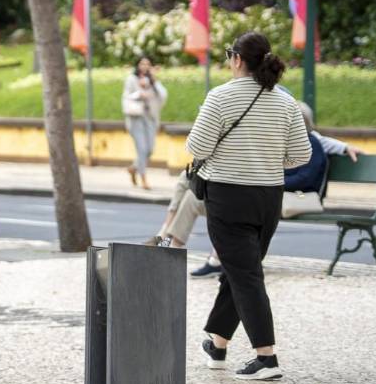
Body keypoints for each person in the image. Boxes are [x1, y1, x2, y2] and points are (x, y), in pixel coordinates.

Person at [187, 32, 310, 381]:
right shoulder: (285, 101)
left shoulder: (220, 97)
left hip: (228, 196)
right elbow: (302, 154)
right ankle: (218, 343)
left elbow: (197, 145)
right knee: (241, 269)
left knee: (246, 275)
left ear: (238, 59)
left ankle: (266, 357)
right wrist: (266, 161)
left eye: (229, 54)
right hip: (269, 197)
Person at [152, 102, 361, 277]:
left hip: (286, 198)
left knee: (231, 206)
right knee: (193, 198)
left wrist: (270, 179)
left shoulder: (311, 143)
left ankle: (218, 260)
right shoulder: (279, 141)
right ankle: (172, 250)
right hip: (262, 194)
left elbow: (306, 178)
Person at [122, 56, 167, 190]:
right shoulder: (131, 79)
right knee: (141, 149)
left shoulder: (153, 81)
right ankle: (144, 179)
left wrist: (154, 81)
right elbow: (125, 97)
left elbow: (163, 96)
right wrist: (139, 94)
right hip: (136, 118)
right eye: (142, 63)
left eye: (148, 64)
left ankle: (133, 168)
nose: (145, 66)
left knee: (150, 149)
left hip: (150, 118)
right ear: (138, 65)